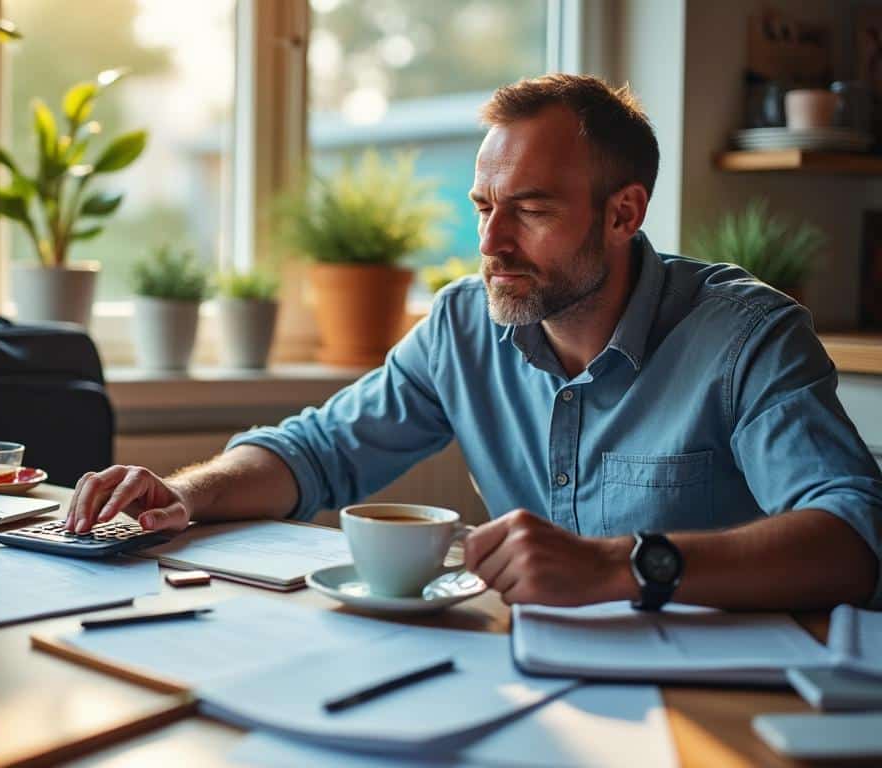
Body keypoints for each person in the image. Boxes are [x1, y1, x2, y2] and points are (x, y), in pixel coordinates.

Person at [66, 74, 882, 612]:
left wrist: (621, 566)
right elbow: (315, 453)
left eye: (528, 210)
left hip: (715, 696)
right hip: (523, 681)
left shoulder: (747, 334)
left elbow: (853, 536)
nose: (491, 242)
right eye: (482, 205)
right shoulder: (464, 324)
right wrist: (185, 495)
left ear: (623, 213)